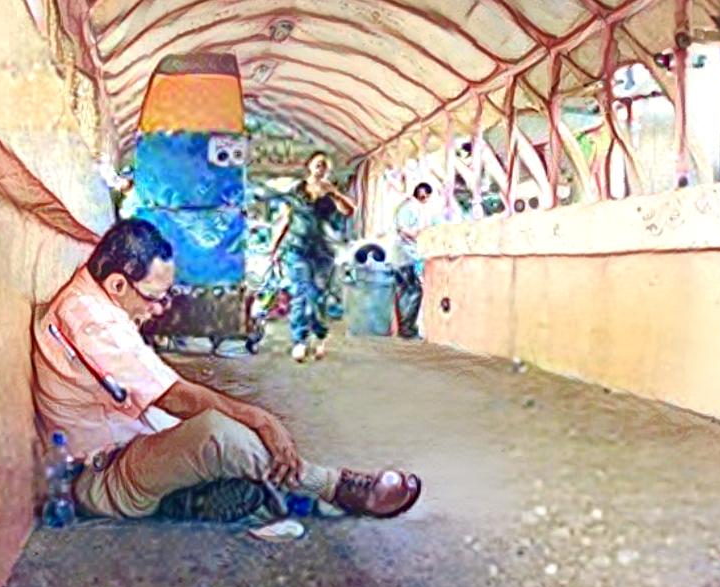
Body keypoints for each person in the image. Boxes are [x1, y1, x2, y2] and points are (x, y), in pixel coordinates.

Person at [32, 219, 422, 527]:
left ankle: (197, 498)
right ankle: (336, 487)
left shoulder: (98, 297)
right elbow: (177, 397)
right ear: (117, 284)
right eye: (153, 297)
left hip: (134, 452)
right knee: (218, 433)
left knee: (226, 433)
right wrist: (260, 418)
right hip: (102, 476)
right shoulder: (91, 321)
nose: (160, 309)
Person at [268, 152, 355, 362]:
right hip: (296, 248)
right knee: (300, 293)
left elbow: (349, 211)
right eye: (317, 164)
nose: (320, 169)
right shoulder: (296, 192)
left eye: (324, 166)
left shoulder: (329, 194)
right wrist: (273, 249)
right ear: (309, 166)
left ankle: (320, 335)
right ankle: (299, 340)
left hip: (321, 251)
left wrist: (334, 193)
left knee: (317, 296)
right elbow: (284, 220)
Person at [392, 182, 440, 338]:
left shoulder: (410, 207)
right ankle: (407, 328)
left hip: (404, 256)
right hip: (405, 256)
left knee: (404, 292)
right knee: (414, 291)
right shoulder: (409, 208)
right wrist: (422, 233)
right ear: (422, 194)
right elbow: (405, 230)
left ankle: (405, 328)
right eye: (426, 196)